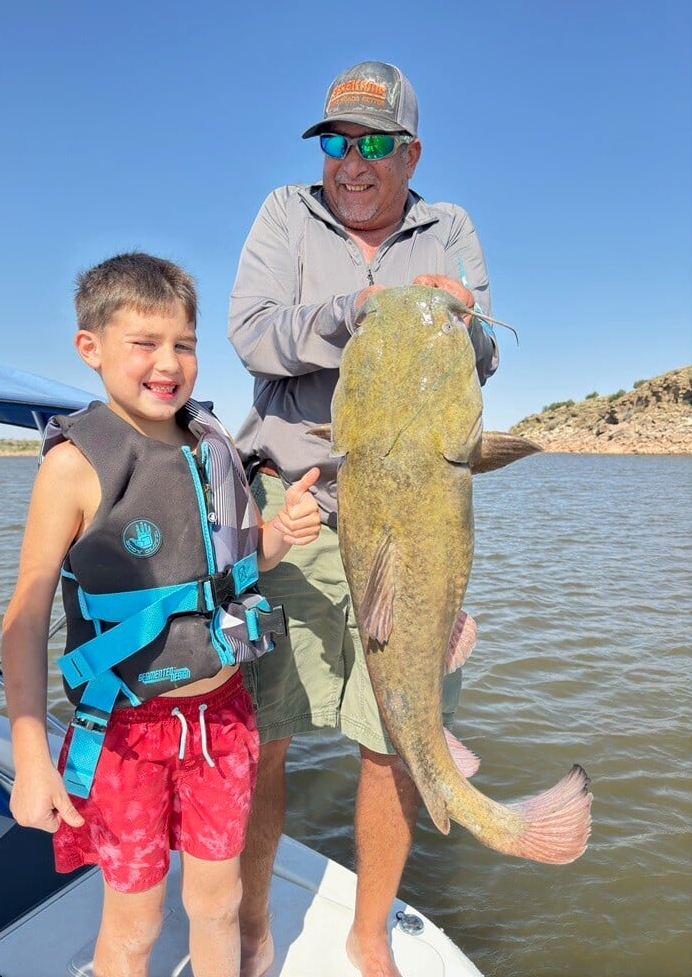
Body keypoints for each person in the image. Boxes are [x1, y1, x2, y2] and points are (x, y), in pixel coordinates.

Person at [227, 61, 499, 977]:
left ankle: (369, 931)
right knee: (266, 730)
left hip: (415, 511)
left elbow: (486, 356)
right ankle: (255, 923)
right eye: (336, 141)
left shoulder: (450, 228)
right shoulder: (283, 212)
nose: (351, 161)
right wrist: (357, 311)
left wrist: (464, 322)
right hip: (289, 509)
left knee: (394, 738)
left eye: (373, 142)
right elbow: (252, 332)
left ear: (411, 151)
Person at [1, 252, 321, 977]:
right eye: (143, 344)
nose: (167, 363)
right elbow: (24, 615)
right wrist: (29, 759)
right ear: (91, 348)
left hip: (224, 717)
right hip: (124, 733)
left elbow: (236, 567)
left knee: (216, 902)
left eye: (183, 344)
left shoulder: (214, 447)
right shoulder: (75, 465)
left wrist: (279, 535)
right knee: (135, 921)